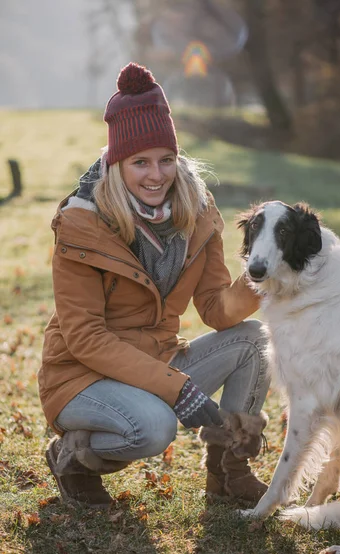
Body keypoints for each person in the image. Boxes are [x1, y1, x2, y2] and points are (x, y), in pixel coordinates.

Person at [39, 62, 270, 508]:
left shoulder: (197, 210)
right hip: (80, 376)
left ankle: (228, 471)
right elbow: (85, 338)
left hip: (156, 360)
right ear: (117, 162)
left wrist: (261, 276)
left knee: (253, 341)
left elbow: (216, 309)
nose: (156, 175)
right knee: (154, 427)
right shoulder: (82, 223)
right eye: (140, 162)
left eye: (166, 160)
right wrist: (176, 388)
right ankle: (72, 455)